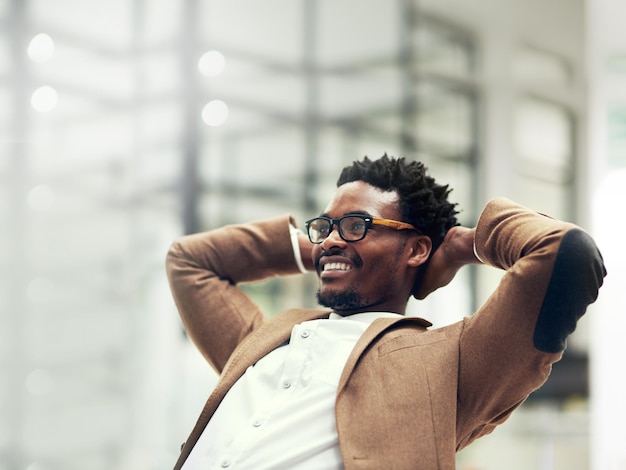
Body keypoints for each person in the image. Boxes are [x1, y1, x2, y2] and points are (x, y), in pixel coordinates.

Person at [166, 154, 606, 470]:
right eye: (325, 226)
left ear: (416, 249)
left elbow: (566, 254)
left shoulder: (452, 363)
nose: (332, 238)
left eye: (358, 225)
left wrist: (460, 245)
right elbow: (190, 261)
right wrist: (320, 248)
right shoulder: (266, 339)